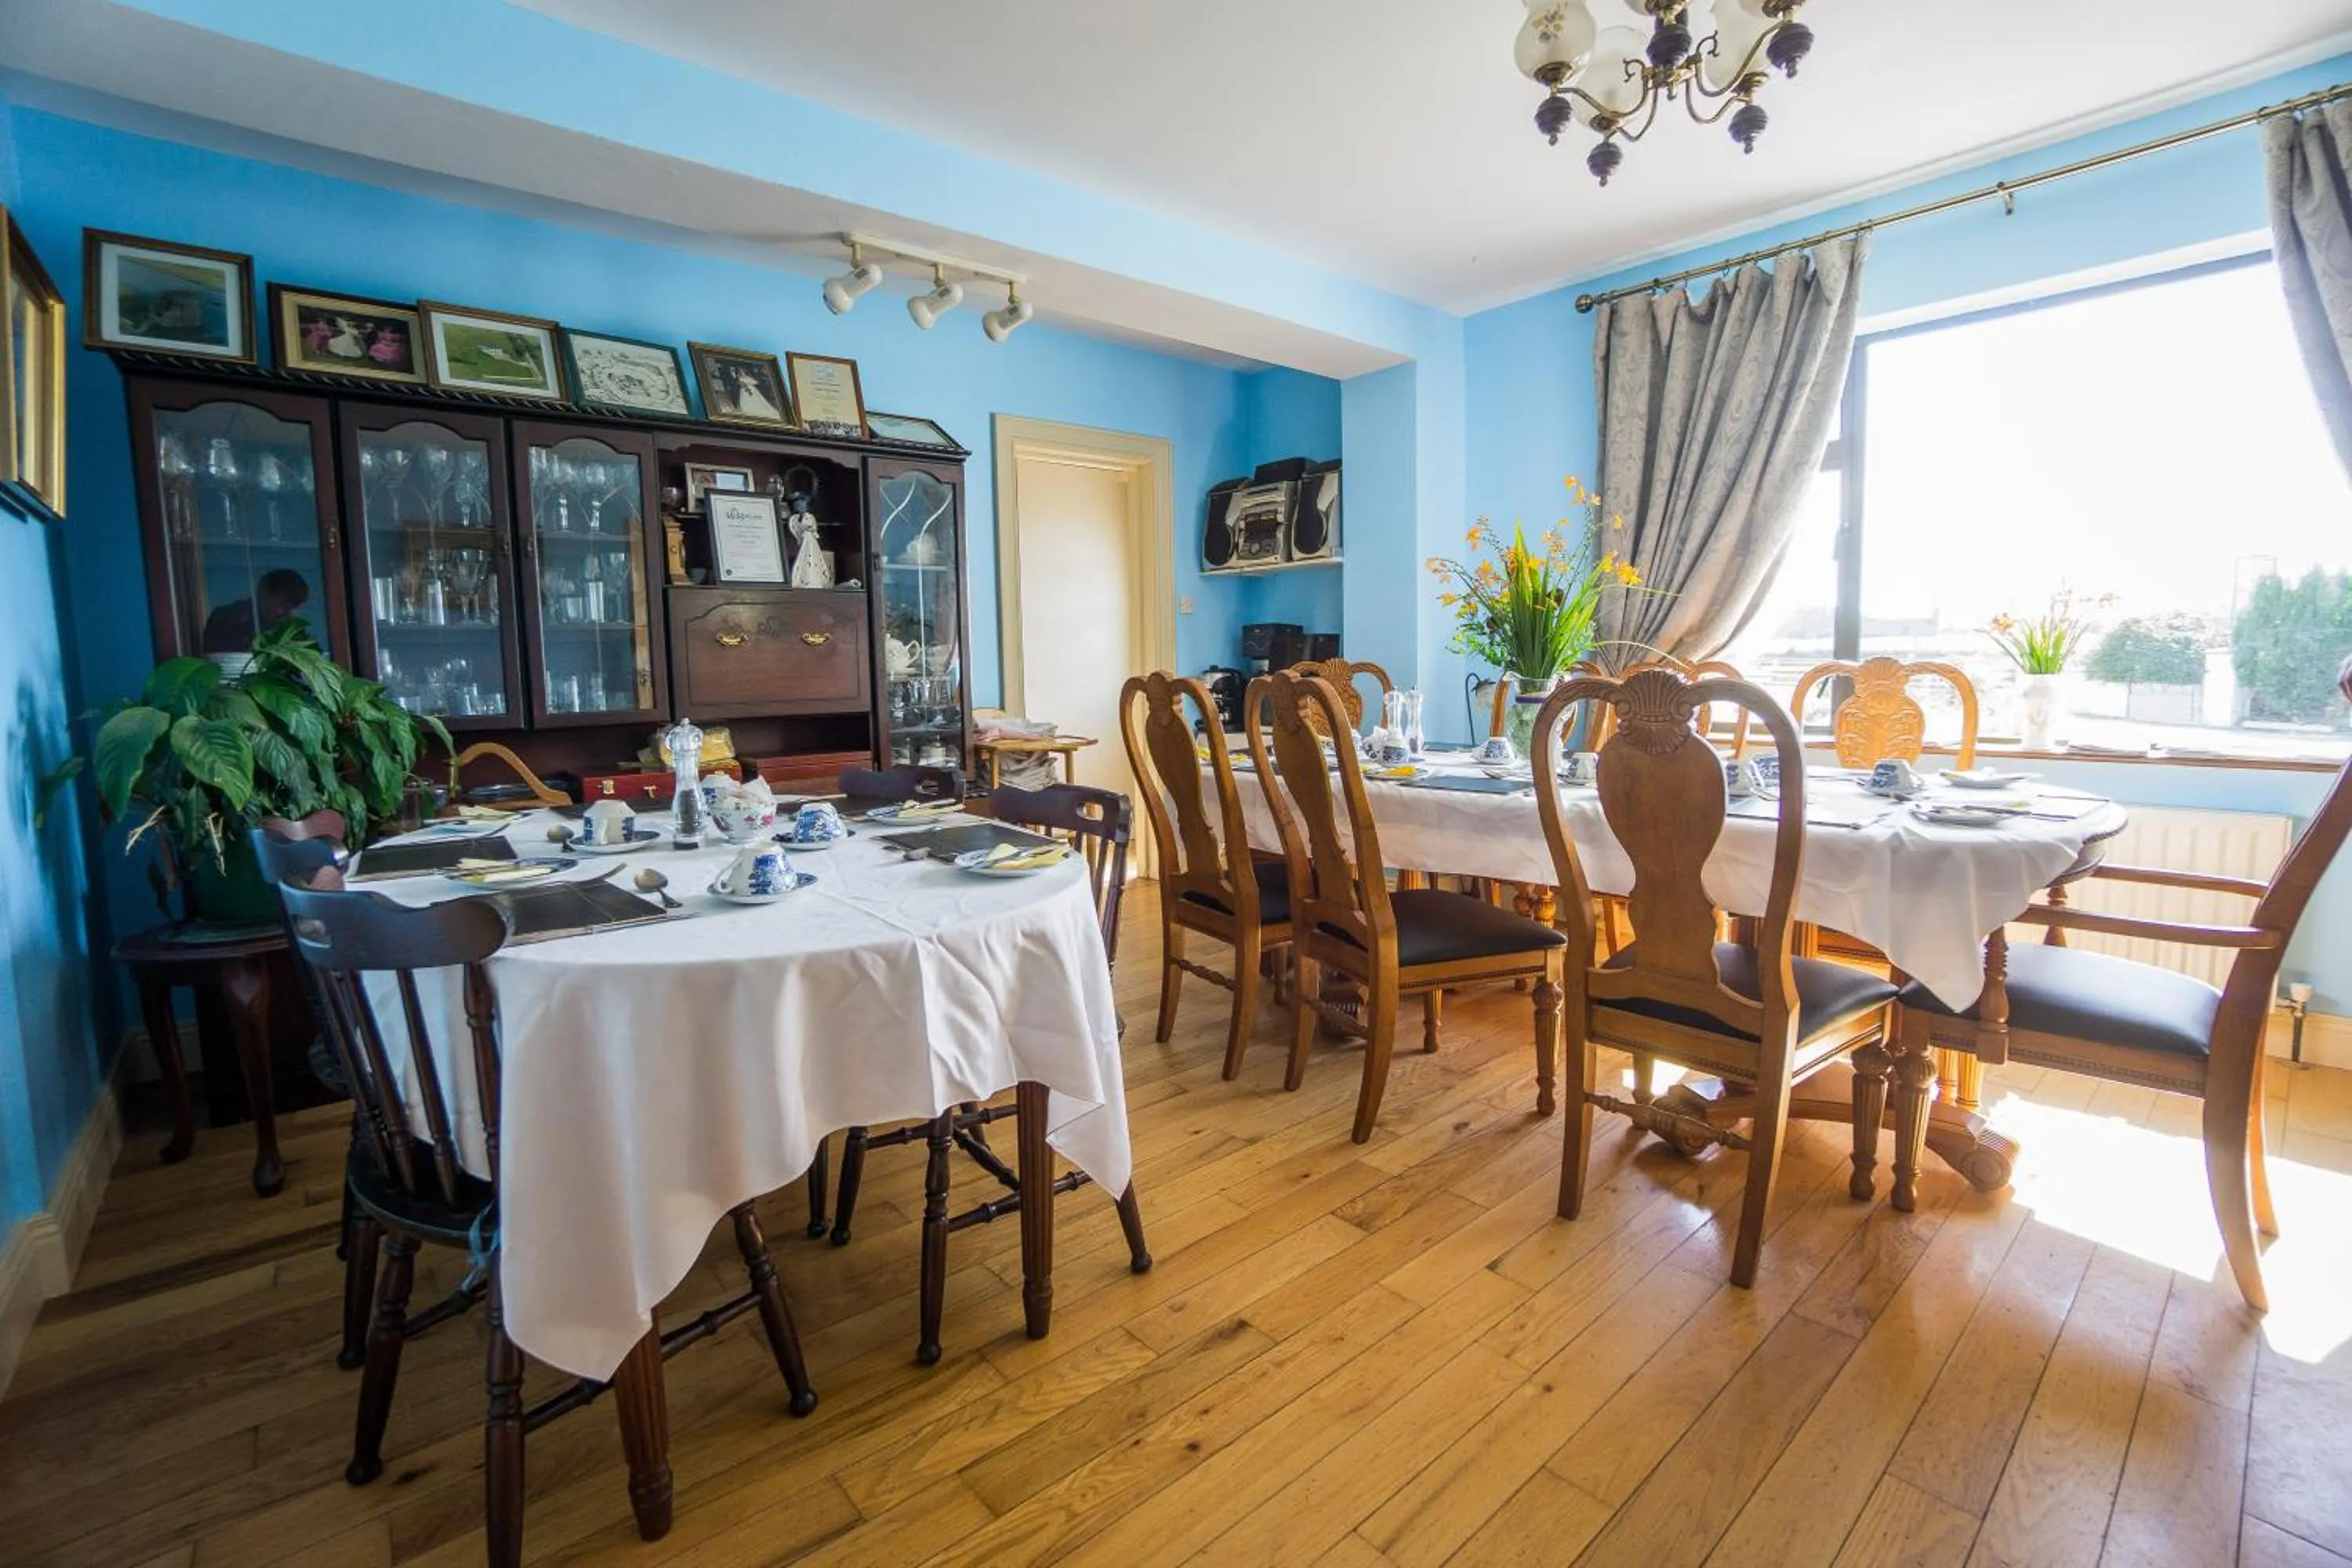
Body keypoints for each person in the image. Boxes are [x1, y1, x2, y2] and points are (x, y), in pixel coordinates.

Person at [201, 568, 310, 654]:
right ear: (261, 594)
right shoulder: (227, 619)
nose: (280, 613)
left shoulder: (293, 630)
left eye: (289, 609)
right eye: (277, 605)